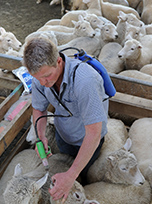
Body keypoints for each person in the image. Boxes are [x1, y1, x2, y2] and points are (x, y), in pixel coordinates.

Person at [22, 37, 108, 202]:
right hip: (64, 135)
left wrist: (71, 176)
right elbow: (39, 108)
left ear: (59, 61)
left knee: (82, 173)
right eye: (38, 78)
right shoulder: (41, 78)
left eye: (47, 76)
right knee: (64, 163)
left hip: (88, 140)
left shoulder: (85, 81)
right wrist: (40, 136)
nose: (43, 83)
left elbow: (94, 133)